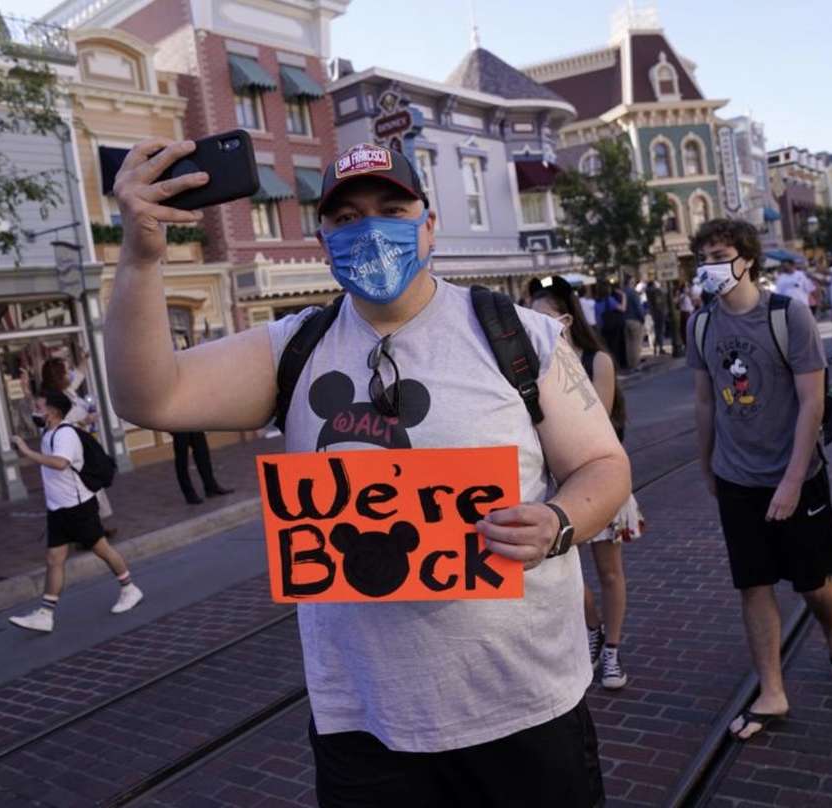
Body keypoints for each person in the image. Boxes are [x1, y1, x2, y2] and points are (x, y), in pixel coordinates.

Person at [103, 139, 631, 807]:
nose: (369, 228)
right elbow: (149, 398)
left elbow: (603, 464)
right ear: (323, 237)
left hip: (523, 705)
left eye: (390, 208)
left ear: (428, 225)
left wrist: (559, 522)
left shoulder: (518, 336)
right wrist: (141, 260)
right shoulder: (292, 349)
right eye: (346, 217)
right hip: (367, 722)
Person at [687, 219, 832, 743]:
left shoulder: (789, 315)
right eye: (703, 257)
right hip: (737, 476)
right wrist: (707, 464)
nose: (709, 266)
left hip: (796, 473)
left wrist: (790, 479)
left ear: (746, 258)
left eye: (718, 254)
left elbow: (812, 400)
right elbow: (703, 400)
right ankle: (772, 690)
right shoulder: (700, 324)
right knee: (753, 583)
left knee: (812, 582)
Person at [529, 275, 643, 691]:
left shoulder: (596, 360)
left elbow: (593, 426)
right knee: (565, 573)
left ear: (565, 317)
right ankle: (592, 630)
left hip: (596, 482)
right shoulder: (525, 364)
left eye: (541, 316)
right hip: (551, 490)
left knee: (608, 572)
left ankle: (611, 649)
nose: (532, 325)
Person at [7, 392, 143, 633]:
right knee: (54, 560)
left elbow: (60, 463)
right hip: (58, 509)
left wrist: (27, 452)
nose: (37, 410)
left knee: (101, 548)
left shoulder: (66, 434)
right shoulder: (48, 432)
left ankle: (130, 589)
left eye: (41, 406)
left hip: (78, 507)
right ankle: (45, 614)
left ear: (54, 411)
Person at [39, 354, 116, 533]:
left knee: (91, 483)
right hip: (71, 446)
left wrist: (84, 359)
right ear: (58, 376)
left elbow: (79, 376)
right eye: (65, 372)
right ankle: (91, 532)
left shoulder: (67, 390)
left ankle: (96, 527)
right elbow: (60, 422)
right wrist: (85, 420)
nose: (69, 374)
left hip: (81, 443)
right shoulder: (55, 399)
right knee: (85, 483)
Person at [171, 431, 233, 505]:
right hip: (177, 424)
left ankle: (211, 487)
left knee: (202, 450)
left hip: (192, 421)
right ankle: (189, 493)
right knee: (182, 458)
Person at [598, 280, 627, 368]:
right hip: (613, 327)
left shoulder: (597, 301)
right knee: (615, 347)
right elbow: (623, 308)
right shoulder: (609, 300)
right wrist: (623, 296)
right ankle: (616, 365)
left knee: (607, 347)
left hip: (603, 327)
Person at [622, 274, 645, 370]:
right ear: (631, 281)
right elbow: (638, 307)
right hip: (635, 320)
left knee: (629, 344)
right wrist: (642, 318)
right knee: (636, 343)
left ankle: (631, 364)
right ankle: (636, 364)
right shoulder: (633, 293)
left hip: (625, 320)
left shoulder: (623, 292)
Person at [646, 278, 667, 355]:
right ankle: (659, 347)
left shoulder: (648, 291)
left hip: (652, 313)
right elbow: (658, 302)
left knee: (656, 331)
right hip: (658, 313)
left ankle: (656, 347)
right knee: (660, 330)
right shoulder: (656, 291)